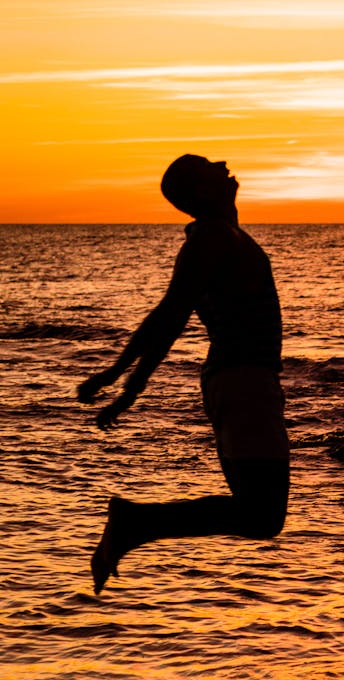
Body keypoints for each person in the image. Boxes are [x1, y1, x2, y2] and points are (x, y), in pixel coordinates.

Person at [77, 155, 290, 594]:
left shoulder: (221, 236)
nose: (223, 163)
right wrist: (124, 381)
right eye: (209, 165)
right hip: (242, 383)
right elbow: (170, 315)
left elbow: (170, 315)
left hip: (242, 383)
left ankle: (135, 523)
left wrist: (123, 380)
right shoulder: (212, 238)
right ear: (203, 192)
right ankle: (134, 523)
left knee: (258, 514)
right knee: (262, 516)